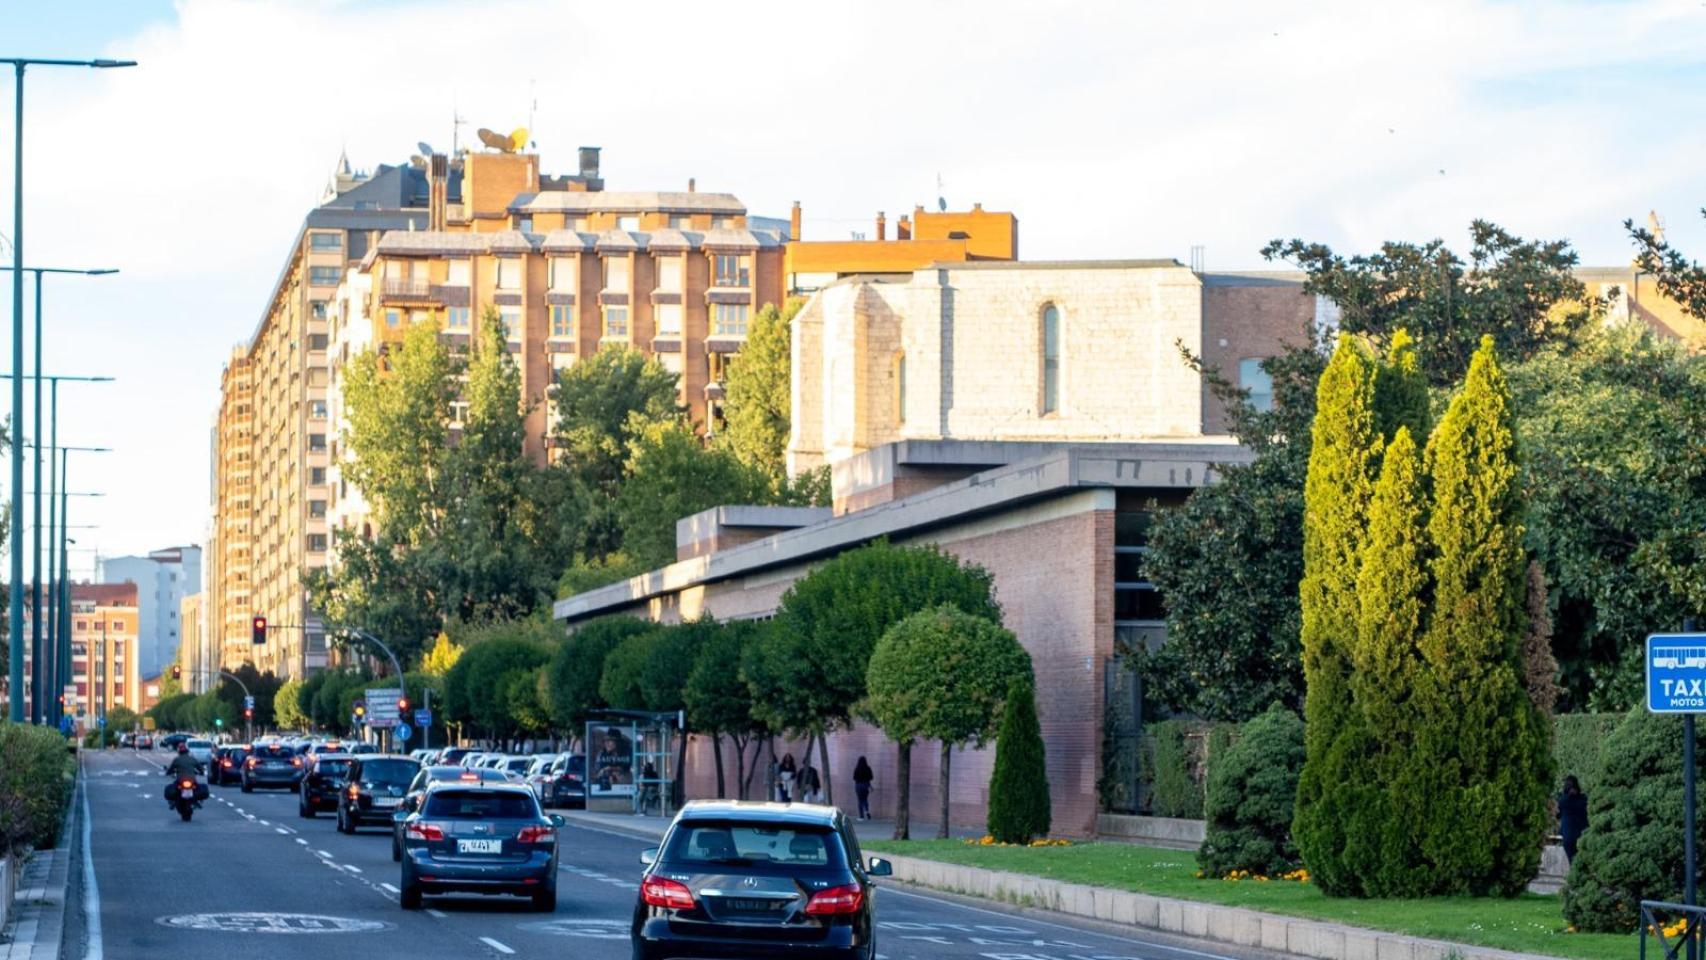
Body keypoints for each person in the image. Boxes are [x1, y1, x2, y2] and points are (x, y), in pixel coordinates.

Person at [1558, 774, 1588, 863]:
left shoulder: (1562, 801)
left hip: (1568, 836)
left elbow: (1558, 814)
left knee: (1573, 862)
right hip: (1582, 835)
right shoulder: (1584, 800)